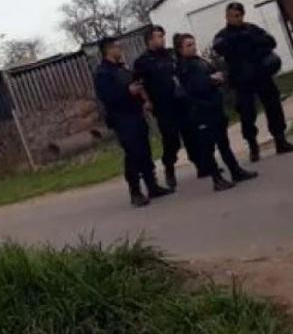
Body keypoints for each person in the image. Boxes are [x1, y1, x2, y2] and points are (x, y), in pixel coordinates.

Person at [94, 37, 173, 207]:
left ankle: (152, 186)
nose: (120, 48)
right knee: (133, 154)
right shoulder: (103, 73)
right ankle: (135, 192)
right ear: (108, 49)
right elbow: (107, 97)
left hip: (136, 114)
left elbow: (135, 86)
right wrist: (127, 91)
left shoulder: (122, 69)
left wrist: (144, 100)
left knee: (145, 152)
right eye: (117, 46)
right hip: (122, 118)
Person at [213, 2, 293, 161]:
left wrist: (251, 40)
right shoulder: (223, 35)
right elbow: (220, 47)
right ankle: (253, 146)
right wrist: (240, 40)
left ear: (242, 15)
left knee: (274, 106)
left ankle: (280, 140)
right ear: (227, 16)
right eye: (232, 15)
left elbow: (270, 41)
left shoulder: (251, 29)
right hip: (242, 81)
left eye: (238, 15)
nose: (235, 18)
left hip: (261, 76)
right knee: (247, 114)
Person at [174, 33, 257, 191]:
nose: (193, 47)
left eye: (193, 43)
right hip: (201, 110)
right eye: (188, 45)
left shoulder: (199, 61)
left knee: (223, 142)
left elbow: (214, 73)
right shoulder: (183, 67)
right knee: (207, 146)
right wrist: (211, 80)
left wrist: (219, 77)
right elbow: (193, 87)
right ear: (180, 49)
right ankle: (216, 179)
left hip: (214, 106)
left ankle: (235, 171)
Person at [133, 25, 201, 188]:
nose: (162, 39)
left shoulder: (171, 54)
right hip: (163, 107)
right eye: (158, 36)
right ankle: (169, 167)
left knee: (191, 135)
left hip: (181, 102)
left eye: (163, 36)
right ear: (150, 40)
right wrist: (146, 101)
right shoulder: (143, 62)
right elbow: (139, 84)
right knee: (172, 141)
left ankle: (202, 165)